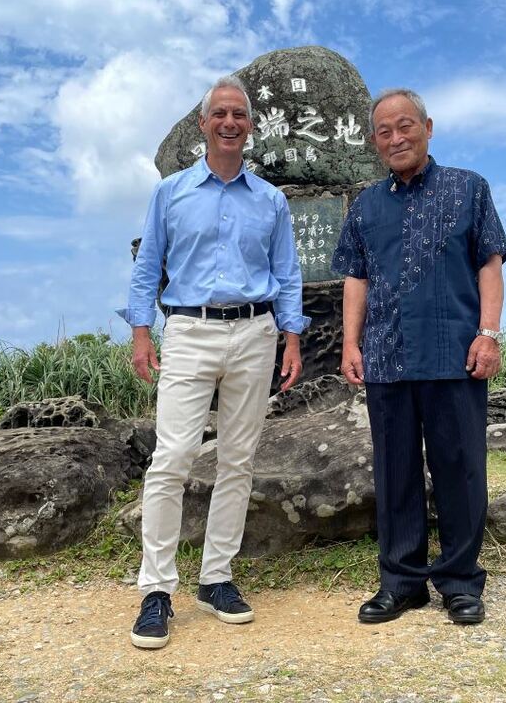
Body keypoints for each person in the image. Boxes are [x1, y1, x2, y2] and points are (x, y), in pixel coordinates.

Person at [117, 76, 309, 649]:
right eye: (220, 114)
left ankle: (216, 578)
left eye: (240, 115)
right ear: (203, 125)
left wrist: (292, 338)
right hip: (190, 330)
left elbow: (288, 273)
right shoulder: (172, 193)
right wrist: (141, 334)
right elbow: (149, 261)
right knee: (171, 457)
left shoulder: (271, 200)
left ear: (250, 127)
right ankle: (157, 590)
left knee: (237, 459)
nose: (230, 122)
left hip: (255, 332)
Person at [331, 89, 506, 626]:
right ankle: (402, 583)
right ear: (373, 141)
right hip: (386, 358)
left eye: (405, 126)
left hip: (454, 353)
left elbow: (490, 263)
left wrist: (488, 333)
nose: (396, 137)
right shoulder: (365, 206)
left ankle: (459, 581)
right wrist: (349, 343)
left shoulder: (468, 188)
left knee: (460, 469)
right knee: (394, 473)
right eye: (384, 131)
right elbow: (355, 278)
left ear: (428, 127)